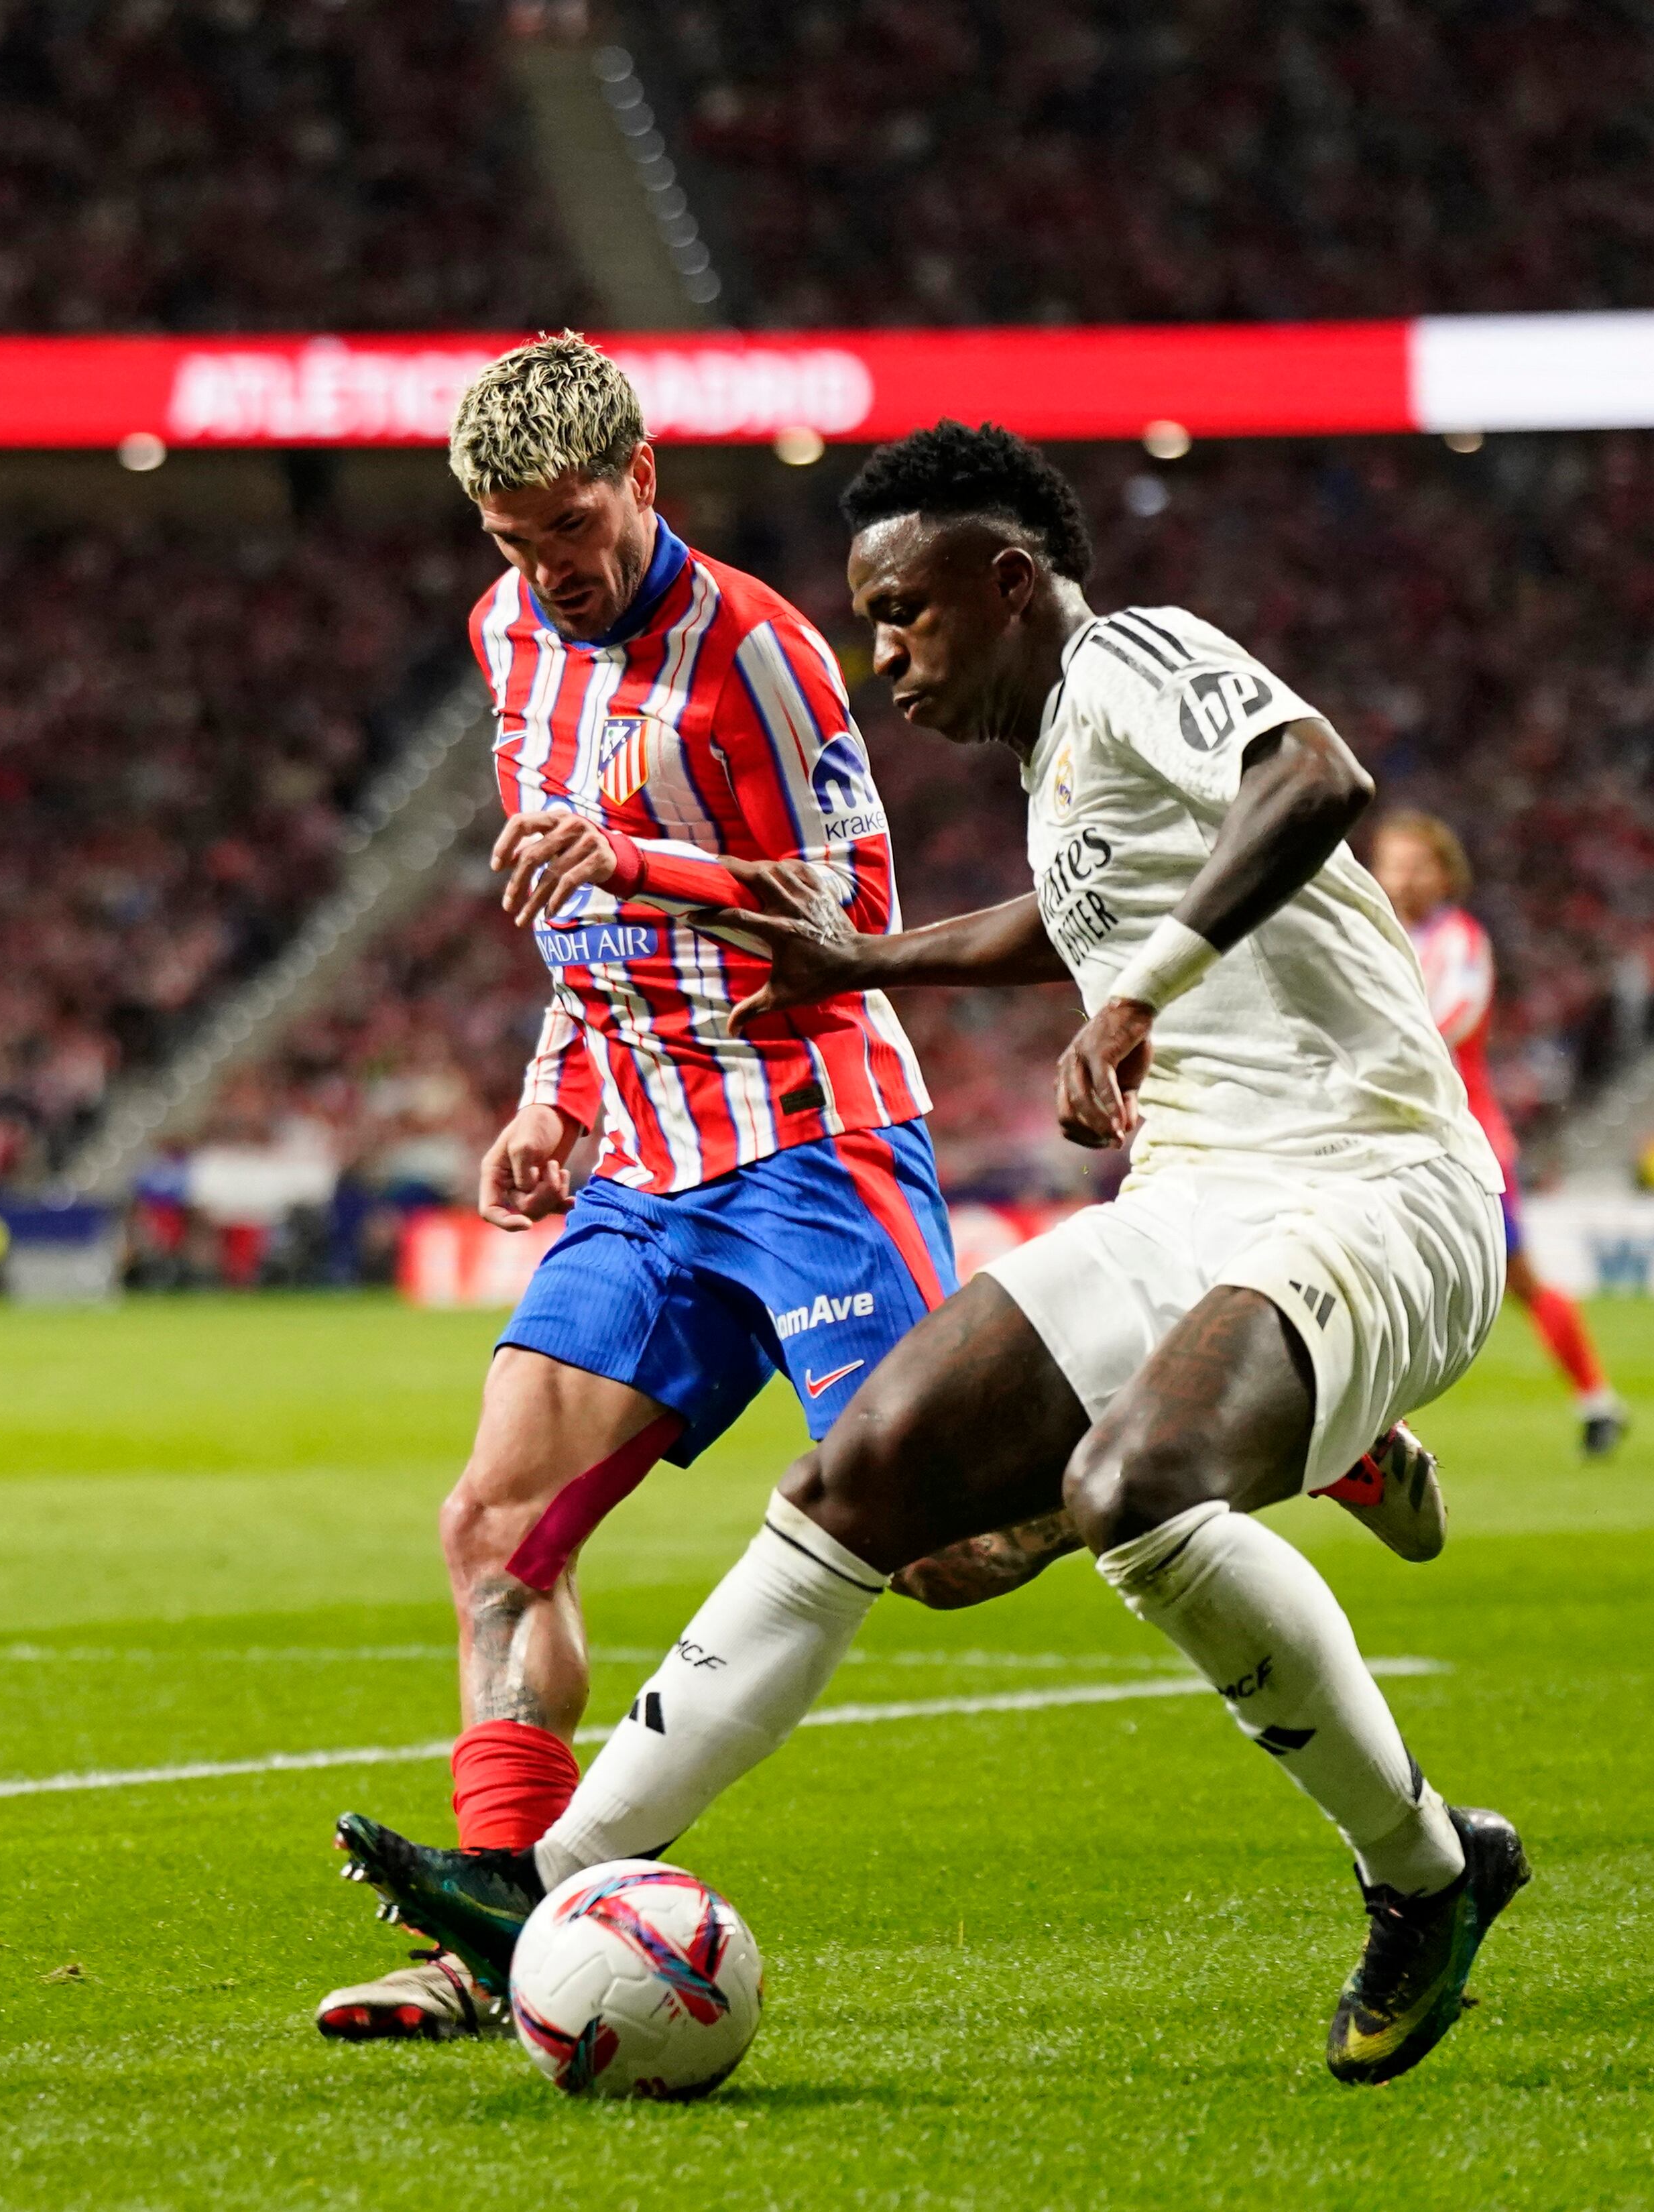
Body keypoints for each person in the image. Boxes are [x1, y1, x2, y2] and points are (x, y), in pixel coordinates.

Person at [339, 422, 1522, 2088]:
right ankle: (538, 1885)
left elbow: (1313, 781)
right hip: (1187, 1207)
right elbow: (1067, 920)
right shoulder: (1056, 768)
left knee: (1130, 1489)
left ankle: (1426, 1872)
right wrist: (861, 953)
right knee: (871, 1471)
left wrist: (1139, 994)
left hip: (1369, 1186)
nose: (884, 656)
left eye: (902, 617)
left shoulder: (1134, 658)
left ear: (1007, 581)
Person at [312, 332, 979, 2044]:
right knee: (491, 1530)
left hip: (808, 1135)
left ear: (645, 480)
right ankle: (487, 1947)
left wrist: (639, 852)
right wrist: (552, 1097)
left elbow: (855, 907)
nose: (554, 563)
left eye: (575, 521)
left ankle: (1255, 1413)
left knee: (954, 1548)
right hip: (643, 1162)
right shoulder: (502, 636)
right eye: (515, 535)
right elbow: (569, 907)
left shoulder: (756, 650)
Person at [1372, 811, 1629, 1457]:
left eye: (1414, 864)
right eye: (1391, 863)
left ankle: (1596, 1396)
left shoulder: (1459, 938)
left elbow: (1456, 1015)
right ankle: (1368, 1426)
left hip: (1463, 1138)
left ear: (1442, 873)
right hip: (1380, 1134)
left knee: (1516, 1278)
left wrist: (1377, 1047)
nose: (1400, 877)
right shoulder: (1365, 935)